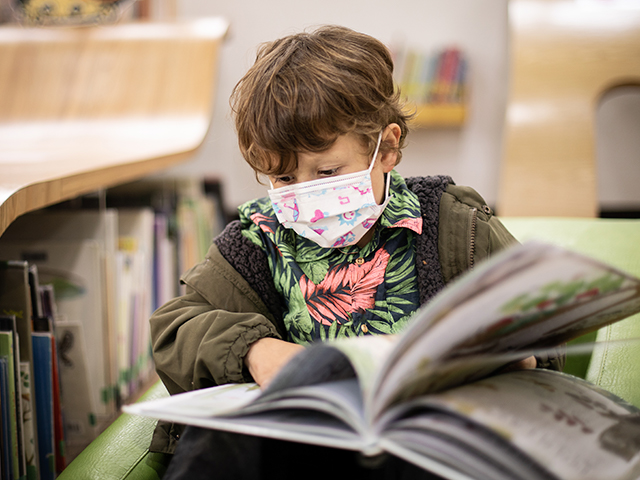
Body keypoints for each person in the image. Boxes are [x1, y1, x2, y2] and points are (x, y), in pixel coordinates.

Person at [149, 25, 564, 479]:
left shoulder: (454, 224)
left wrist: (520, 357)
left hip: (425, 444)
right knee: (217, 438)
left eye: (327, 171)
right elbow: (176, 327)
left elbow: (539, 325)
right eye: (284, 180)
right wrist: (255, 350)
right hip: (308, 446)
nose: (305, 193)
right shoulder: (257, 239)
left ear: (386, 148)